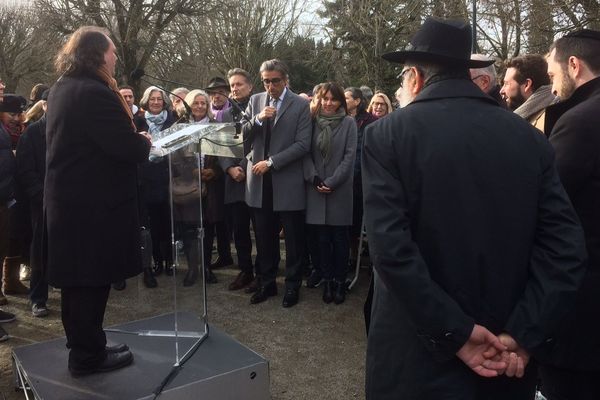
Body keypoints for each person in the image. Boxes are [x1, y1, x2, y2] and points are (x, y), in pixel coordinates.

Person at [362, 17, 587, 399]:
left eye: (402, 79)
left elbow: (391, 251)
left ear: (414, 77)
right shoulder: (528, 139)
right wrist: (523, 333)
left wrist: (459, 334)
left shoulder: (388, 135)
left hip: (416, 358)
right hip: (504, 356)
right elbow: (565, 251)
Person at [45, 26, 151, 375]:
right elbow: (127, 147)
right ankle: (88, 357)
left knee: (78, 283)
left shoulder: (63, 87)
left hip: (71, 204)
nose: (116, 57)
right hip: (92, 209)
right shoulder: (93, 92)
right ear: (96, 54)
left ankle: (87, 344)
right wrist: (145, 141)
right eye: (112, 52)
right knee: (90, 281)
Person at [538, 29, 600, 400]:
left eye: (551, 75)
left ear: (574, 66)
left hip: (583, 308)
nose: (552, 86)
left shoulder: (582, 120)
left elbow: (547, 202)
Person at [243, 59, 311, 307]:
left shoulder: (301, 105)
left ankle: (292, 286)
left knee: (292, 239)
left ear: (286, 79)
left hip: (287, 179)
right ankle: (267, 283)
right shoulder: (255, 101)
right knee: (263, 237)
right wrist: (258, 119)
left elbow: (303, 144)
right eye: (266, 81)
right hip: (259, 182)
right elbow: (242, 135)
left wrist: (272, 162)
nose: (270, 86)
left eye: (275, 81)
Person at [304, 82, 357, 304]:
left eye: (333, 99)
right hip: (316, 188)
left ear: (340, 102)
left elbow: (349, 156)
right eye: (324, 98)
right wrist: (315, 178)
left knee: (340, 239)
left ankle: (339, 281)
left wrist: (332, 182)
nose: (328, 103)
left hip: (339, 190)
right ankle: (326, 280)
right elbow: (304, 152)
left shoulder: (348, 123)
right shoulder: (311, 122)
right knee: (322, 240)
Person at [170, 89, 221, 285]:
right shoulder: (179, 126)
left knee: (208, 228)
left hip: (210, 185)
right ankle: (193, 268)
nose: (200, 106)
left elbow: (224, 153)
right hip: (188, 185)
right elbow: (173, 156)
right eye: (196, 103)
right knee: (190, 228)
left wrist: (214, 171)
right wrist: (189, 170)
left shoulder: (216, 126)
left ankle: (206, 266)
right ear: (188, 105)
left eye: (203, 103)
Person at [135, 86, 176, 285]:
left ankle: (170, 260)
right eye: (152, 99)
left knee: (167, 221)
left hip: (167, 175)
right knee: (151, 224)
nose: (156, 102)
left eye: (160, 99)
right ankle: (157, 261)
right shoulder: (138, 121)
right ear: (146, 101)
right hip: (146, 177)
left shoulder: (173, 120)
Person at [222, 68, 258, 291]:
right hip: (233, 180)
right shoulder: (225, 115)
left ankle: (263, 272)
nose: (235, 89)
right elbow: (221, 145)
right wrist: (229, 169)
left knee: (261, 229)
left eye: (239, 84)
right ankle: (245, 271)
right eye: (232, 85)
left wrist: (243, 167)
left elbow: (259, 143)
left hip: (254, 177)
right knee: (240, 230)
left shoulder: (259, 109)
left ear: (250, 86)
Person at [16, 89, 49, 317]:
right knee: (41, 250)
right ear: (44, 105)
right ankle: (38, 298)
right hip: (42, 202)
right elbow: (25, 171)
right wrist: (40, 194)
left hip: (68, 201)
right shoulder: (32, 133)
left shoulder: (71, 130)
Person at [500, 54, 556, 131]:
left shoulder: (548, 123)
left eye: (506, 84)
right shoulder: (526, 119)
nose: (501, 91)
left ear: (527, 84)